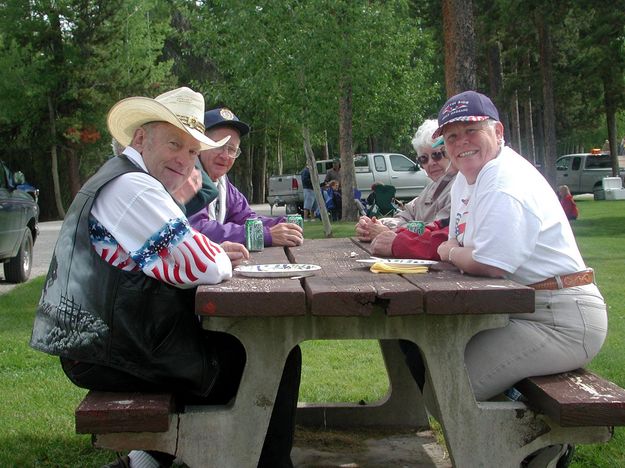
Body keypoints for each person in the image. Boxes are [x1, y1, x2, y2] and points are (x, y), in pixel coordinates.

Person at [30, 87, 301, 468]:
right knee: (272, 355)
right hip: (110, 351)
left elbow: (183, 253)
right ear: (141, 138)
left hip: (105, 342)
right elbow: (200, 265)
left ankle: (147, 461)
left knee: (248, 348)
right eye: (176, 144)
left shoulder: (125, 179)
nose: (186, 161)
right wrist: (214, 254)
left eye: (193, 151)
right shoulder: (134, 188)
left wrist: (207, 249)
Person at [410, 90, 606, 465]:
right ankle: (534, 441)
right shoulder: (472, 176)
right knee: (438, 371)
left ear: (497, 131)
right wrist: (455, 251)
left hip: (562, 317)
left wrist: (452, 253)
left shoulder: (504, 178)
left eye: (471, 130)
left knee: (448, 389)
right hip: (525, 308)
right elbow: (457, 243)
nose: (460, 143)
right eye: (451, 137)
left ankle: (545, 442)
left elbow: (489, 262)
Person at [188, 108, 303, 247]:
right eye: (219, 146)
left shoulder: (223, 184)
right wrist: (265, 235)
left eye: (232, 150)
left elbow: (246, 218)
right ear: (201, 144)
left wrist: (284, 224)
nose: (225, 156)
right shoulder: (185, 178)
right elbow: (198, 230)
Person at [356, 119, 458, 258]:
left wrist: (389, 232)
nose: (431, 163)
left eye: (437, 155)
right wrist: (374, 225)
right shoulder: (432, 187)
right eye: (424, 159)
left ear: (449, 152)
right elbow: (406, 215)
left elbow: (436, 229)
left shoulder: (459, 187)